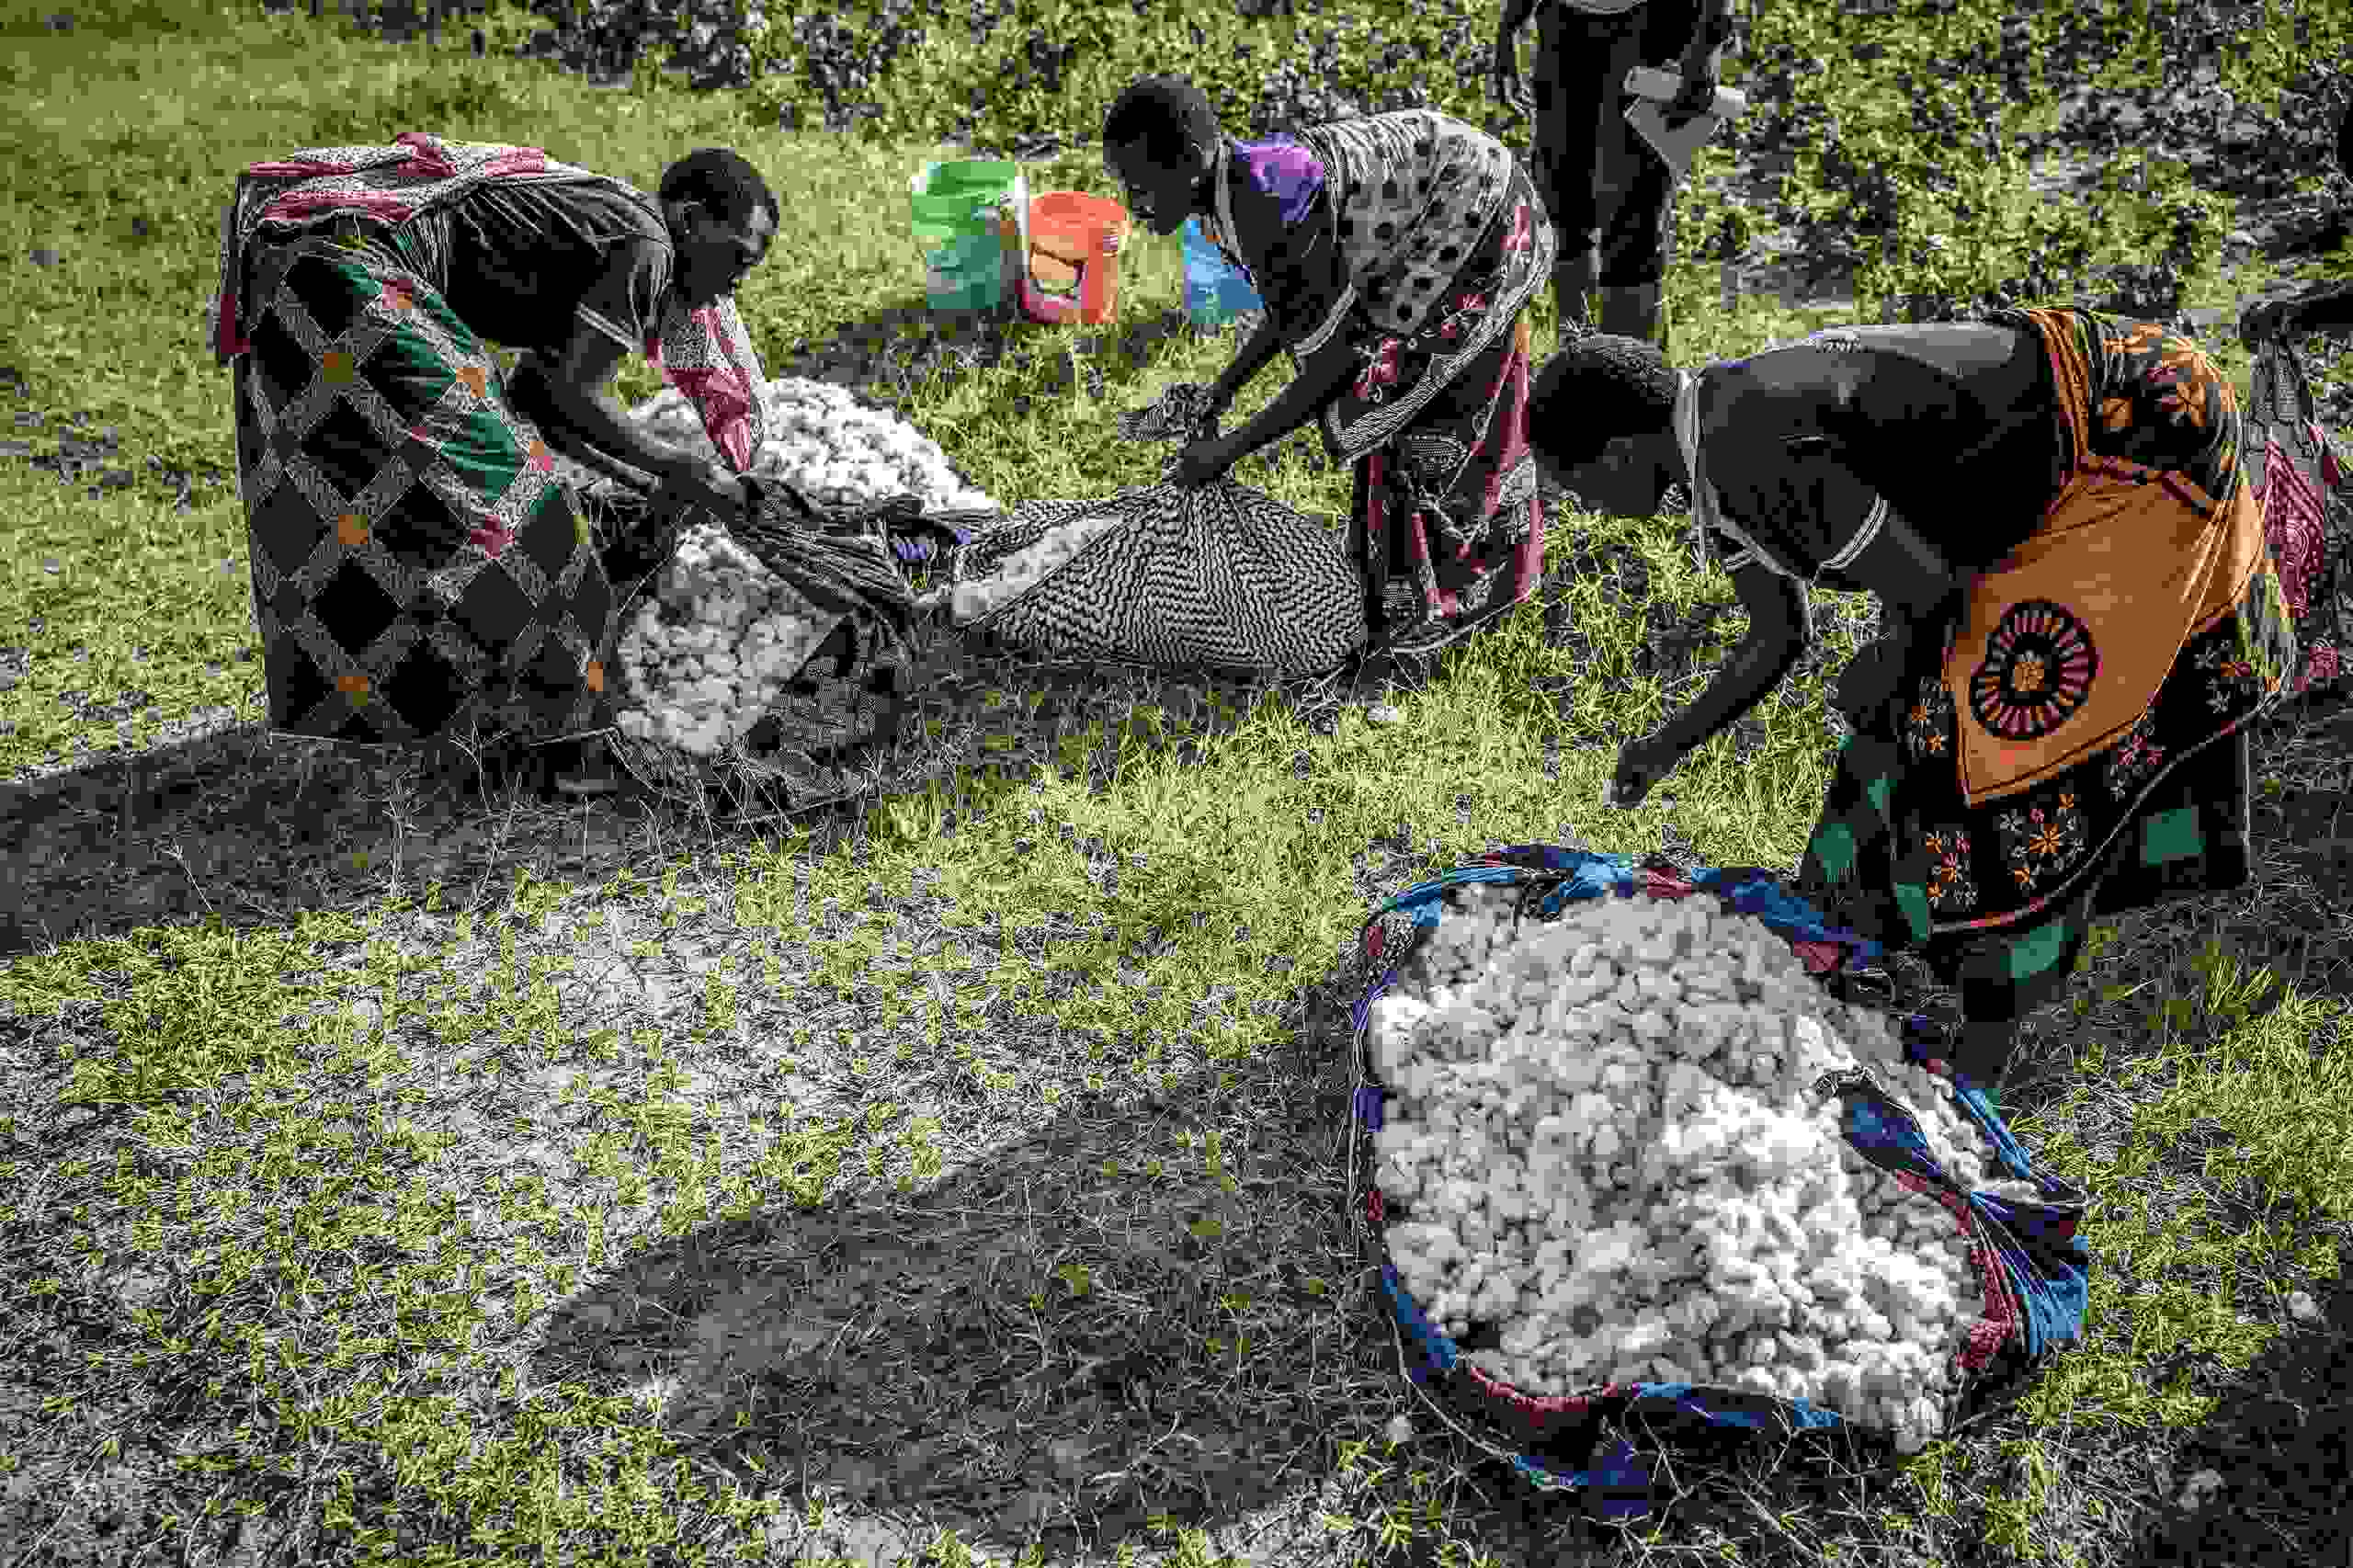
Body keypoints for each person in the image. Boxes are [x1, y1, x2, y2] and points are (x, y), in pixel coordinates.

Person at [1522, 312, 2299, 1092]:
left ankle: (1985, 1044)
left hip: (2133, 432)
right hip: (2072, 426)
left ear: (1619, 453)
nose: (1587, 506)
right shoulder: (1711, 453)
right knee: (1910, 713)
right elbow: (1777, 635)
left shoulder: (1752, 452)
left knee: (2013, 741)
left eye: (1578, 488)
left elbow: (1930, 592)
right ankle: (1841, 939)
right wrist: (1668, 744)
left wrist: (1883, 662)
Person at [210, 134, 788, 799]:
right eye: (738, 256)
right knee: (534, 517)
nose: (739, 280)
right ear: (690, 218)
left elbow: (540, 398)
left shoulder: (618, 227)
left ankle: (451, 713)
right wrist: (685, 469)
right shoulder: (650, 244)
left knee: (383, 496)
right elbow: (576, 393)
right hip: (351, 268)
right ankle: (568, 750)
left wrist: (647, 482)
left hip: (301, 260)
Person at [1104, 76, 1556, 664]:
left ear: (1190, 161)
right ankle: (1407, 583)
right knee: (1381, 401)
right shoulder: (1226, 196)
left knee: (1388, 403)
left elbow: (1335, 363)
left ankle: (1454, 597)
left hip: (1481, 217)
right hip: (1435, 229)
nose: (1133, 209)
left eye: (1139, 190)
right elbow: (1291, 306)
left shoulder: (1263, 199)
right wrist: (1223, 391)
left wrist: (1228, 451)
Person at [1491, 0, 1734, 348]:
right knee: (1564, 208)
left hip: (1657, 25)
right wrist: (1511, 21)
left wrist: (1708, 39)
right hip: (1566, 22)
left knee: (1633, 216)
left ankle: (1630, 377)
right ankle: (1579, 362)